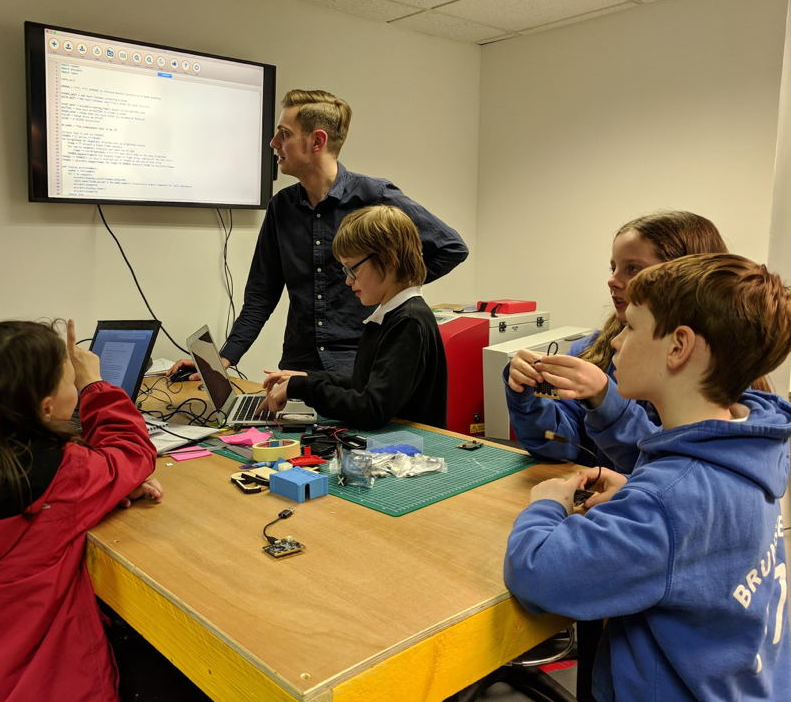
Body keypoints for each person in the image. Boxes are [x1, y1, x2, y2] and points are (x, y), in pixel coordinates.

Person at [504, 253, 791, 701]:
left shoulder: (670, 501)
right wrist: (639, 488)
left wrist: (547, 504)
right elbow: (699, 531)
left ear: (678, 346)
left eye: (631, 328)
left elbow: (538, 575)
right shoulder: (749, 447)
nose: (615, 343)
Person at [0, 320, 162, 702]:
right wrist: (94, 385)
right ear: (47, 406)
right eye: (69, 383)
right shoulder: (68, 474)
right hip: (47, 686)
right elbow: (133, 450)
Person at [169, 89, 467, 379]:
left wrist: (391, 285)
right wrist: (222, 359)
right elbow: (262, 293)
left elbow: (451, 248)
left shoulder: (373, 195)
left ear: (316, 141)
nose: (274, 143)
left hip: (359, 361)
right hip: (298, 363)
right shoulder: (281, 207)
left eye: (284, 133)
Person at [505, 211, 739, 469]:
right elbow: (560, 443)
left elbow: (672, 470)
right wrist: (526, 396)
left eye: (633, 269)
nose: (612, 280)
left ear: (685, 277)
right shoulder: (592, 351)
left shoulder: (720, 376)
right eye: (613, 267)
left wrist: (605, 397)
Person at [260, 205, 447, 430]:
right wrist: (307, 378)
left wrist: (303, 388)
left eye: (352, 269)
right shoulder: (391, 316)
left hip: (411, 453)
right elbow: (364, 385)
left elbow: (371, 409)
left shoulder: (407, 322)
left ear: (388, 259)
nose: (348, 281)